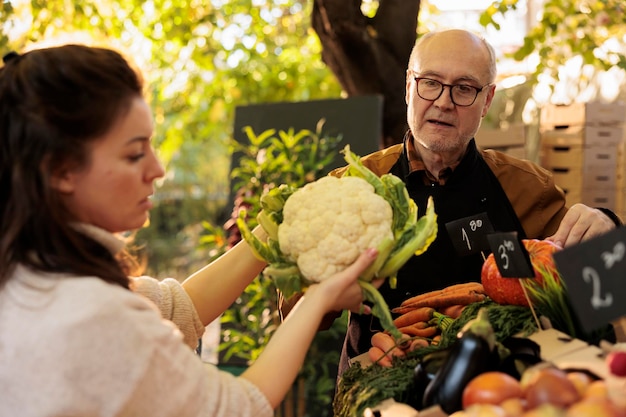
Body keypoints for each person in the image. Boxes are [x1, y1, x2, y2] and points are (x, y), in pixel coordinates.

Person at [0, 44, 379, 417]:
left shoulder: (30, 276)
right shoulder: (90, 314)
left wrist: (272, 230)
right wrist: (318, 300)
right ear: (61, 170)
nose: (158, 169)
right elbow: (239, 407)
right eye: (134, 153)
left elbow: (175, 308)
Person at [284, 28, 622, 377]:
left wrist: (607, 228)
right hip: (377, 384)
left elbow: (598, 296)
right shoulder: (352, 187)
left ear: (487, 100)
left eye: (464, 88)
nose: (444, 102)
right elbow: (297, 314)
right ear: (408, 87)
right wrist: (323, 284)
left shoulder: (526, 188)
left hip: (494, 389)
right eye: (430, 82)